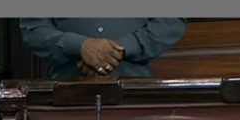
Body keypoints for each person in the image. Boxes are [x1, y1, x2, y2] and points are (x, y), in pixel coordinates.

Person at [19, 18, 186, 79]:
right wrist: (81, 47)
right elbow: (33, 30)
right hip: (67, 91)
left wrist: (118, 50)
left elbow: (170, 23)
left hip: (133, 89)